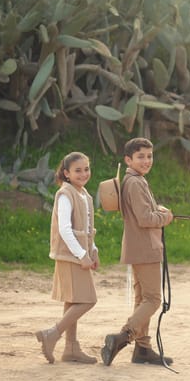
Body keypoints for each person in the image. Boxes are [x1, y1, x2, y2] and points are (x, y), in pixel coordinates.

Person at [101, 137, 175, 366]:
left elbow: (142, 213)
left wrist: (158, 210)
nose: (146, 161)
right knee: (153, 299)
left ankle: (143, 349)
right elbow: (145, 219)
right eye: (141, 156)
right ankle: (123, 336)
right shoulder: (135, 183)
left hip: (137, 247)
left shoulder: (133, 180)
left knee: (142, 298)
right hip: (146, 248)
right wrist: (166, 216)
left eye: (149, 156)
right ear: (128, 159)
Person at [35, 152, 99, 364]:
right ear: (66, 173)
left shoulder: (84, 194)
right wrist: (81, 255)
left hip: (80, 255)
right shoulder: (65, 194)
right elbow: (64, 229)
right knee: (88, 299)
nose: (83, 174)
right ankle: (52, 334)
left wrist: (93, 250)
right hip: (70, 256)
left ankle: (71, 348)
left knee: (73, 300)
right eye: (77, 170)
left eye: (86, 169)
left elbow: (87, 228)